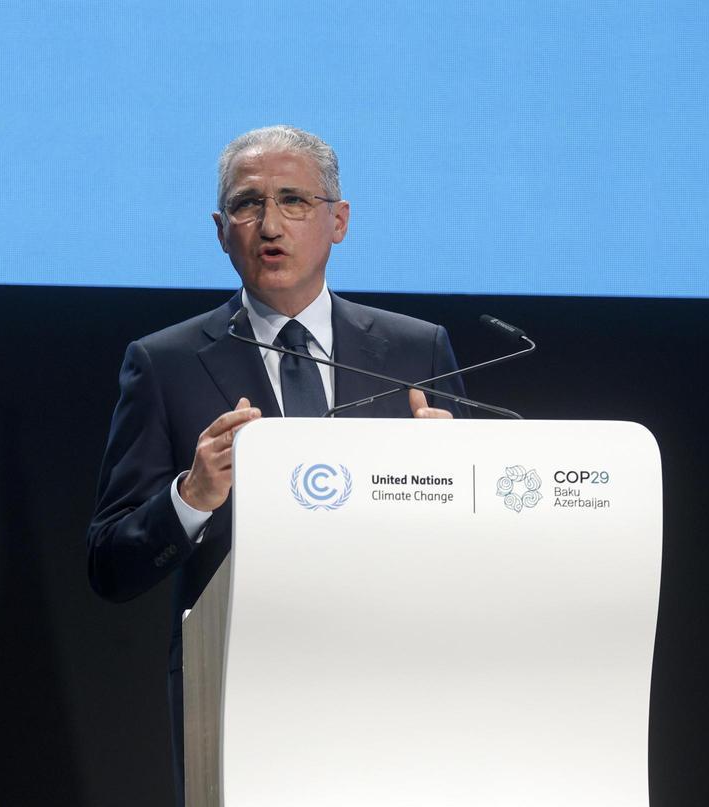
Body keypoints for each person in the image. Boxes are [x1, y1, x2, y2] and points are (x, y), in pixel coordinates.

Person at [86, 125, 464, 802]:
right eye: (246, 204)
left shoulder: (417, 352)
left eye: (293, 200)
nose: (268, 225)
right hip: (240, 695)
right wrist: (192, 495)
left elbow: (479, 547)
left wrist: (459, 485)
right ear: (220, 228)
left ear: (338, 220)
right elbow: (110, 565)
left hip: (396, 690)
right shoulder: (165, 363)